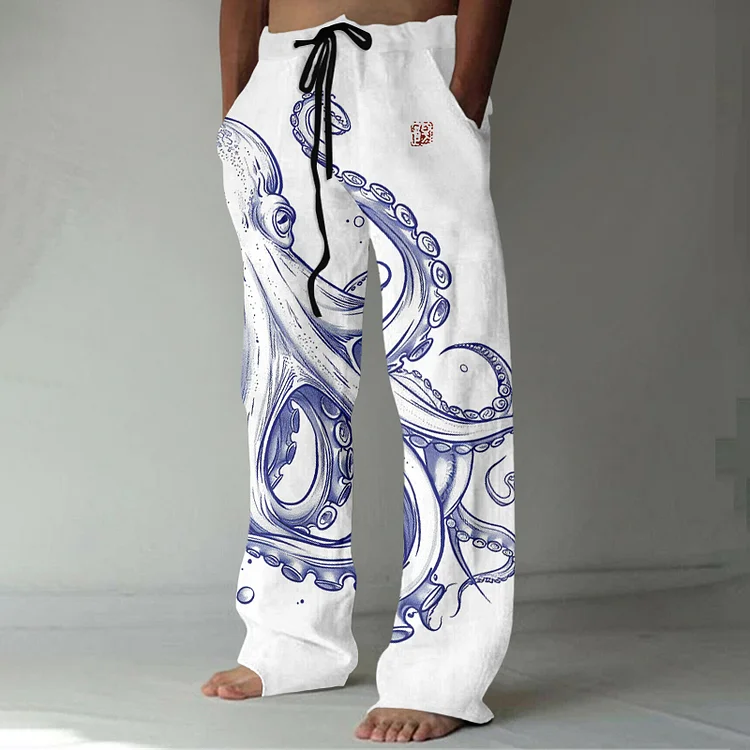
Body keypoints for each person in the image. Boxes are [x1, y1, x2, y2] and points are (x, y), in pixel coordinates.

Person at [202, 0, 514, 743]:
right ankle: (291, 638)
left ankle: (442, 671)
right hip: (280, 84)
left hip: (413, 75)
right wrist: (242, 101)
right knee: (284, 371)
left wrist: (463, 91)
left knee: (452, 380)